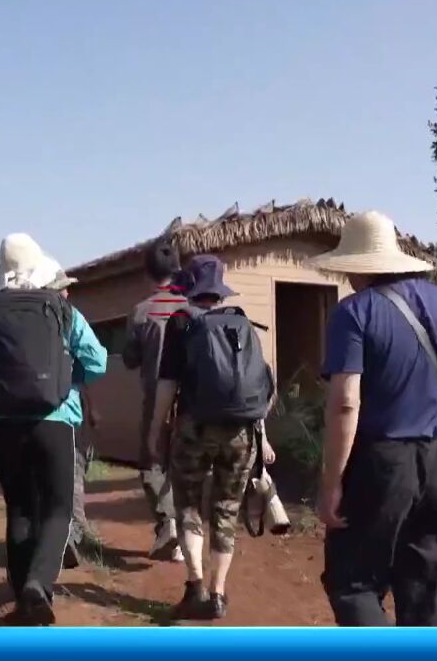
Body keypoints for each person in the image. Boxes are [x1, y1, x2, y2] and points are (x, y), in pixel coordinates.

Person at [307, 211, 437, 627]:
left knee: (355, 582)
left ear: (357, 268)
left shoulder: (354, 313)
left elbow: (346, 403)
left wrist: (331, 484)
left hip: (380, 462)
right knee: (423, 583)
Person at [0, 233, 107, 625]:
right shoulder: (62, 311)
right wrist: (68, 380)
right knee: (58, 510)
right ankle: (37, 587)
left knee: (20, 510)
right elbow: (98, 361)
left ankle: (24, 598)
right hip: (55, 422)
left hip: (6, 425)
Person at [151, 254, 277, 621]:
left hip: (194, 428)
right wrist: (262, 437)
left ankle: (196, 587)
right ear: (220, 290)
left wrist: (157, 429)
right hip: (242, 431)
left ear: (190, 287)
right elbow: (258, 388)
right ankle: (219, 594)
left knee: (188, 504)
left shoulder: (180, 323)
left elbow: (166, 385)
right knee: (225, 509)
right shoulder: (241, 323)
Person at [121, 242, 188, 561]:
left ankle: (167, 524)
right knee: (186, 466)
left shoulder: (141, 312)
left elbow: (131, 359)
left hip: (155, 397)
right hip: (190, 401)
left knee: (151, 463)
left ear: (147, 273)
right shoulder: (191, 306)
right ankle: (189, 537)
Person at [49, 274, 103, 569]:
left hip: (32, 416)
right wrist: (92, 410)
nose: (69, 290)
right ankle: (71, 536)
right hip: (69, 413)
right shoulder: (71, 320)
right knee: (73, 476)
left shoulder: (34, 323)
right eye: (65, 286)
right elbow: (92, 368)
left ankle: (50, 537)